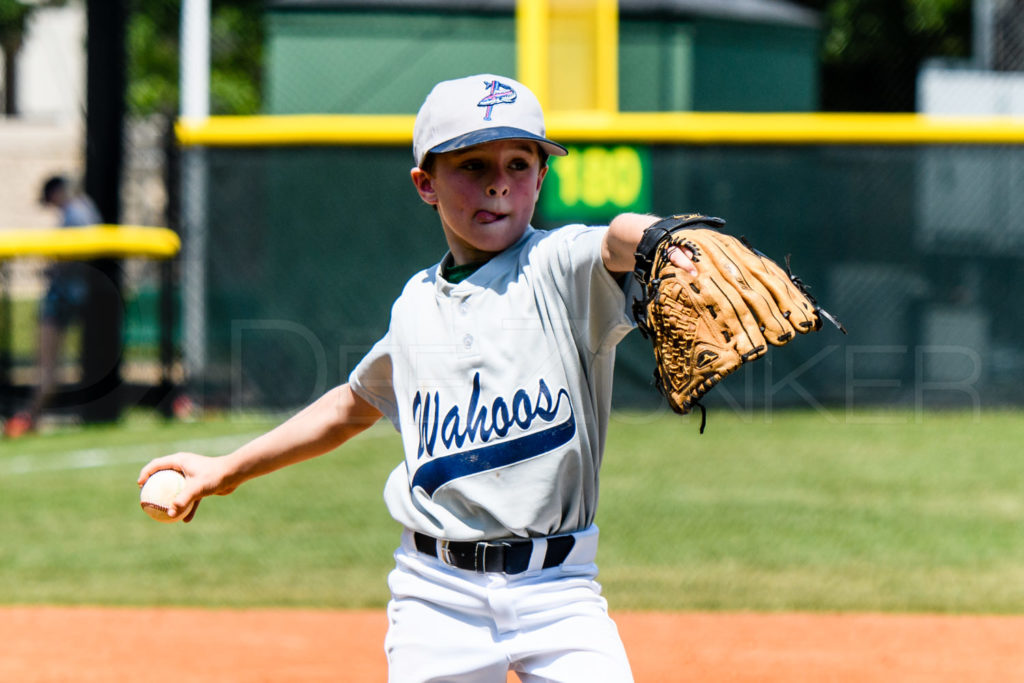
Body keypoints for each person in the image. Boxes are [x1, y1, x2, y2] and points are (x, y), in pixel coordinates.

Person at [138, 74, 696, 682]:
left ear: (540, 177)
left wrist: (659, 239)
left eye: (518, 162)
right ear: (425, 184)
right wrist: (226, 469)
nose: (497, 182)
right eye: (471, 163)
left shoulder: (559, 267)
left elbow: (614, 238)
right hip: (437, 596)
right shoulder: (414, 307)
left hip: (559, 591)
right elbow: (351, 405)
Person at [4, 176, 101, 438]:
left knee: (46, 366)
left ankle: (29, 417)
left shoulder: (74, 212)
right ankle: (32, 416)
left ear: (57, 192)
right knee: (51, 366)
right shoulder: (88, 207)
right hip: (80, 294)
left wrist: (50, 269)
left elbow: (68, 259)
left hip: (61, 296)